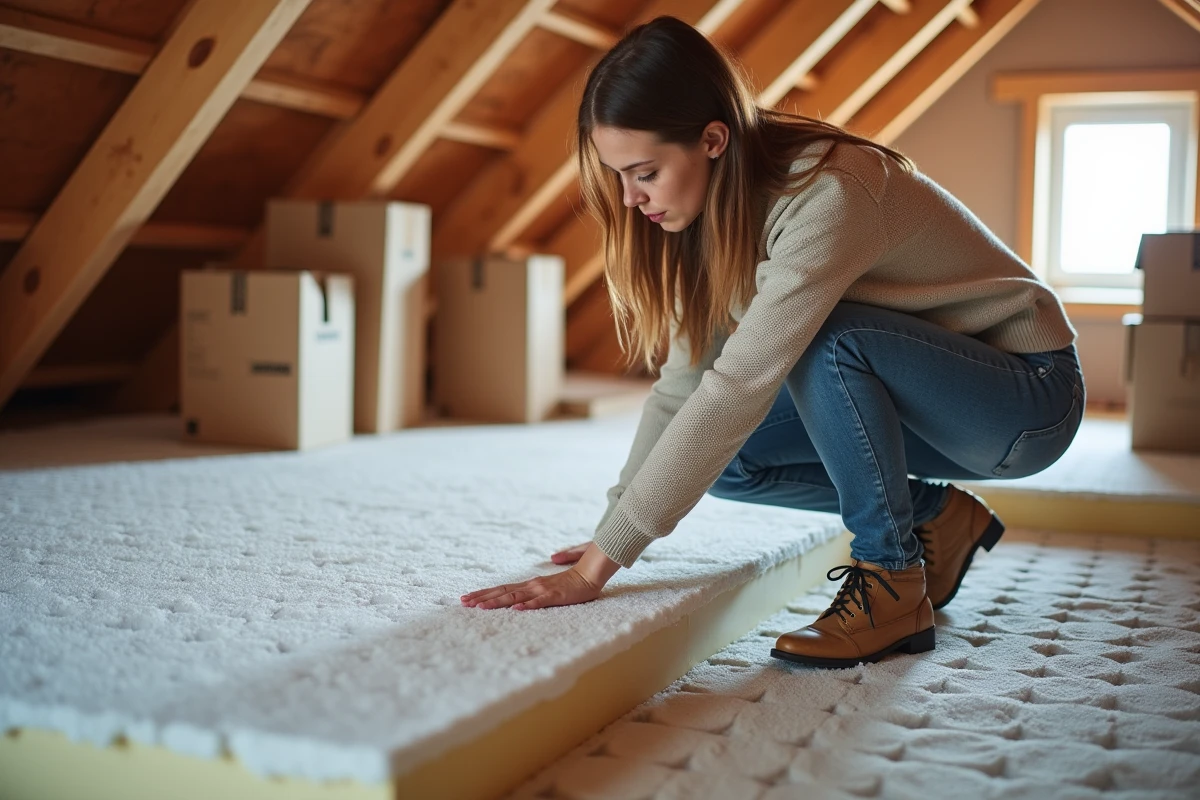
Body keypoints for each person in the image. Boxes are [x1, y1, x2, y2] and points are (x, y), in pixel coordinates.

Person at [460, 16, 1084, 668]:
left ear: (711, 139)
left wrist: (594, 575)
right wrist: (608, 538)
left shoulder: (829, 193)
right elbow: (683, 387)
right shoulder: (704, 217)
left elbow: (741, 381)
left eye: (643, 172)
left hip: (1027, 401)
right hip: (934, 409)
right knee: (729, 462)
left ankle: (892, 577)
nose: (628, 198)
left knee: (823, 343)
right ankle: (935, 516)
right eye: (618, 175)